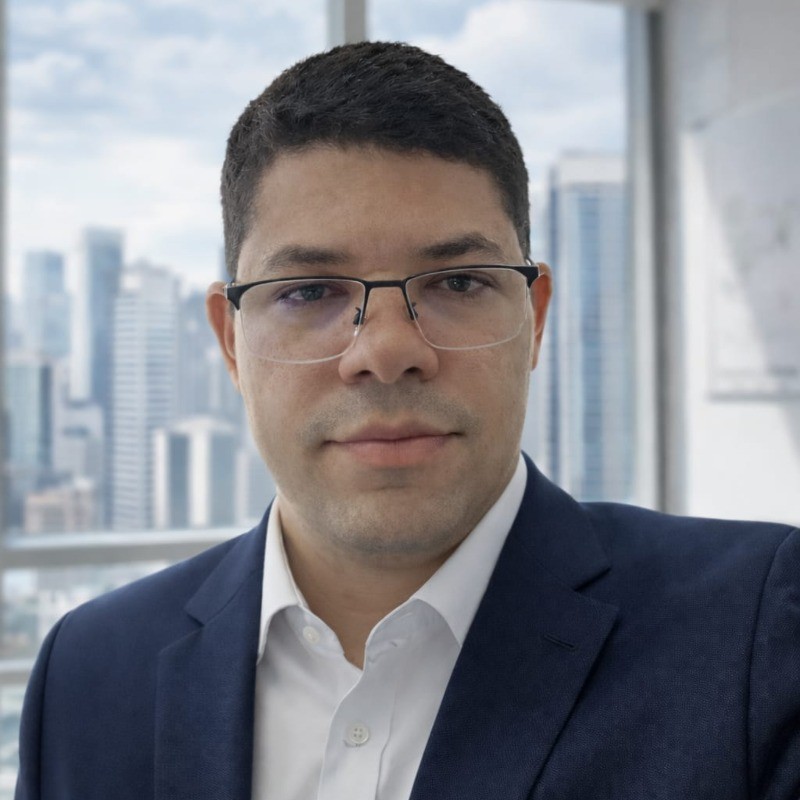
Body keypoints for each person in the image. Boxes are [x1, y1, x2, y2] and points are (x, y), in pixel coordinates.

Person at [15, 41, 800, 800]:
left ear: (534, 317)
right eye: (309, 291)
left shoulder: (756, 634)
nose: (386, 352)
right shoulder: (90, 672)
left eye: (458, 282)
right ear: (230, 341)